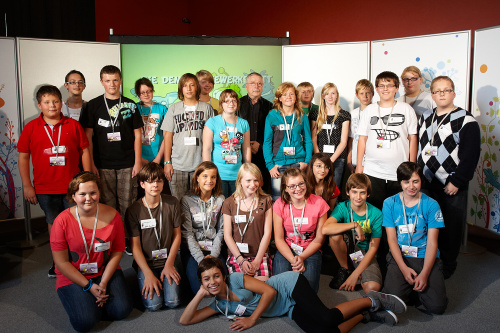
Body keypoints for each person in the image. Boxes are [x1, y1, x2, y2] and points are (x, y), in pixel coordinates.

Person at [179, 257, 407, 331]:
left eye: (216, 276)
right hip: (287, 308)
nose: (213, 282)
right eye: (207, 279)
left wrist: (252, 319)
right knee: (324, 332)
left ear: (224, 275)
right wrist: (200, 294)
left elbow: (268, 291)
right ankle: (366, 314)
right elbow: (185, 320)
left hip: (288, 285)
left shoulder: (236, 280)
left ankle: (371, 299)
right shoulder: (218, 305)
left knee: (326, 318)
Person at [18, 85, 91, 278]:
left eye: (56, 101)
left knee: (75, 223)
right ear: (39, 105)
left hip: (72, 187)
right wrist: (27, 185)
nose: (52, 106)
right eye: (47, 102)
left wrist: (88, 177)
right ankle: (58, 261)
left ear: (62, 103)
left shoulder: (73, 125)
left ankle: (77, 260)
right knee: (54, 224)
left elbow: (84, 150)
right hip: (45, 188)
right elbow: (23, 156)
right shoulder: (31, 127)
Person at [50, 172, 132, 332]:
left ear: (99, 193)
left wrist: (102, 283)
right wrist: (88, 286)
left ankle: (96, 301)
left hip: (104, 271)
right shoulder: (61, 221)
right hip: (74, 275)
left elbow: (117, 252)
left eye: (93, 193)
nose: (89, 198)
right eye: (82, 194)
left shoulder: (113, 215)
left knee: (122, 311)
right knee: (85, 323)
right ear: (73, 196)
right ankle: (93, 302)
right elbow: (61, 262)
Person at [417, 76, 480, 279]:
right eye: (437, 91)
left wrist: (457, 181)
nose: (442, 94)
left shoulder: (466, 120)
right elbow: (421, 148)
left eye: (446, 90)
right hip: (426, 182)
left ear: (453, 93)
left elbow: (470, 156)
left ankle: (448, 264)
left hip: (450, 183)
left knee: (450, 226)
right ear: (432, 95)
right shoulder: (426, 116)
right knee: (428, 224)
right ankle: (429, 260)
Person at [382, 162, 448, 314]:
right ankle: (409, 288)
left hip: (425, 256)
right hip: (401, 256)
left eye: (415, 181)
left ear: (421, 182)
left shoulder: (431, 205)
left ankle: (416, 288)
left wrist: (425, 274)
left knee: (437, 307)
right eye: (406, 182)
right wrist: (404, 269)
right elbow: (392, 240)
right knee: (391, 302)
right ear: (400, 182)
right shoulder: (389, 203)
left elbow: (432, 242)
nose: (411, 186)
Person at [79, 65, 143, 221]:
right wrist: (92, 163)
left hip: (127, 164)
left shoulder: (131, 105)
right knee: (107, 204)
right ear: (102, 82)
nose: (112, 84)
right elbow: (87, 137)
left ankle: (127, 239)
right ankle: (111, 237)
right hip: (102, 164)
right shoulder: (93, 105)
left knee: (128, 203)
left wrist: (138, 162)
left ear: (120, 80)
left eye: (115, 80)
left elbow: (137, 135)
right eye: (108, 80)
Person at [355, 71, 418, 210]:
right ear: (376, 89)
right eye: (381, 85)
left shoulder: (406, 109)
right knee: (374, 211)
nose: (385, 89)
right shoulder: (369, 110)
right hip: (372, 171)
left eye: (389, 85)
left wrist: (412, 166)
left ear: (396, 88)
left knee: (398, 210)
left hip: (399, 171)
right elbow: (362, 139)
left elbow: (413, 138)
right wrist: (359, 166)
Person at [124, 162, 182, 311]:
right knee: (154, 305)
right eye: (150, 181)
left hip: (168, 259)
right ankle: (143, 275)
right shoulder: (133, 210)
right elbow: (135, 247)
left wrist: (169, 264)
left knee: (173, 302)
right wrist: (147, 273)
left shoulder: (172, 203)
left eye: (158, 181)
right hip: (146, 263)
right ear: (142, 184)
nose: (155, 185)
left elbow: (177, 237)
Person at [323, 173, 383, 293]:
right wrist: (355, 225)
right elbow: (325, 229)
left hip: (364, 252)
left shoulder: (376, 213)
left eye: (362, 192)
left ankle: (355, 272)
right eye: (354, 192)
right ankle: (345, 269)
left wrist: (356, 274)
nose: (358, 197)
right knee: (334, 235)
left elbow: (373, 247)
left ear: (368, 194)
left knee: (372, 287)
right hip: (347, 247)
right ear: (348, 192)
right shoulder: (343, 207)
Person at [273, 167, 328, 293]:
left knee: (308, 288)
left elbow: (319, 239)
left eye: (301, 184)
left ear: (306, 183)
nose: (298, 189)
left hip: (310, 249)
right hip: (286, 248)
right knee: (280, 285)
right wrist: (294, 261)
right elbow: (279, 239)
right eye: (292, 186)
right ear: (285, 188)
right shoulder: (279, 204)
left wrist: (302, 257)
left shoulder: (319, 203)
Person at [161, 73, 215, 200]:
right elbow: (168, 136)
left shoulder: (207, 108)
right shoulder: (173, 108)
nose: (189, 89)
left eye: (192, 85)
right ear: (181, 89)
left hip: (200, 165)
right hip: (177, 166)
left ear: (197, 87)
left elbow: (213, 136)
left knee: (199, 203)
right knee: (178, 203)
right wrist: (167, 162)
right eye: (185, 86)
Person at [222, 163, 273, 281]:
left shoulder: (266, 201)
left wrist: (257, 260)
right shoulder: (229, 203)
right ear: (240, 181)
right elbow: (227, 235)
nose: (253, 184)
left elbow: (267, 234)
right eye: (248, 180)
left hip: (260, 254)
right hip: (237, 256)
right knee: (242, 289)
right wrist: (240, 260)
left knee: (264, 288)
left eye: (256, 180)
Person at [180, 161, 225, 294]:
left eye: (213, 177)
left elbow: (221, 230)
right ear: (197, 178)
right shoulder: (186, 200)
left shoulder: (220, 199)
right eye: (205, 176)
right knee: (198, 288)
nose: (209, 180)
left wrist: (213, 255)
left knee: (221, 285)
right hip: (193, 250)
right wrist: (201, 260)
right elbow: (187, 233)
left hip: (213, 248)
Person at [263, 82, 313, 201]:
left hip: (298, 164)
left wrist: (306, 162)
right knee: (278, 199)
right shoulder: (272, 115)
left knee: (299, 198)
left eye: (291, 94)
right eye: (285, 94)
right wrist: (270, 165)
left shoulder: (301, 115)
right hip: (278, 164)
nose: (288, 97)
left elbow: (308, 140)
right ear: (279, 98)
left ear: (296, 97)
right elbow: (267, 142)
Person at [203, 89, 251, 197]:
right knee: (219, 206)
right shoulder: (212, 122)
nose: (231, 104)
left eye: (234, 100)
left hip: (238, 174)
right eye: (227, 101)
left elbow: (246, 148)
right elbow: (206, 149)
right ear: (221, 104)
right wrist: (208, 173)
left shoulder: (244, 124)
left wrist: (248, 169)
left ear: (237, 104)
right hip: (218, 174)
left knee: (236, 206)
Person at [310, 83, 351, 188]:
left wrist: (330, 160)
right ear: (323, 96)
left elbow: (343, 142)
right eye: (327, 94)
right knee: (318, 189)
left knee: (334, 190)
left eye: (333, 93)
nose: (330, 96)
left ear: (337, 95)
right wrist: (319, 159)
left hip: (337, 159)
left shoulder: (344, 115)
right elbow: (313, 139)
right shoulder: (316, 114)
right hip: (319, 159)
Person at [238, 72, 273, 194]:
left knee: (262, 186)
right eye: (252, 83)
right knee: (243, 187)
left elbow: (274, 130)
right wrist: (246, 144)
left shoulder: (270, 106)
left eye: (259, 84)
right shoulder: (237, 104)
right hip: (241, 152)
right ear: (246, 86)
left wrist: (260, 143)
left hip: (263, 152)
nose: (256, 86)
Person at [134, 77, 167, 165]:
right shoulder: (134, 108)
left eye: (149, 91)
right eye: (142, 92)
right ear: (138, 93)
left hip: (159, 157)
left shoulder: (162, 109)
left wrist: (158, 158)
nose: (146, 95)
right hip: (139, 159)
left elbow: (167, 136)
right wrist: (139, 159)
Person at [346, 79, 374, 174]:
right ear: (357, 95)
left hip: (372, 162)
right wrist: (349, 161)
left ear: (373, 94)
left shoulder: (376, 112)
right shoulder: (353, 114)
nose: (365, 96)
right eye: (361, 93)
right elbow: (350, 140)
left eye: (368, 93)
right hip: (355, 161)